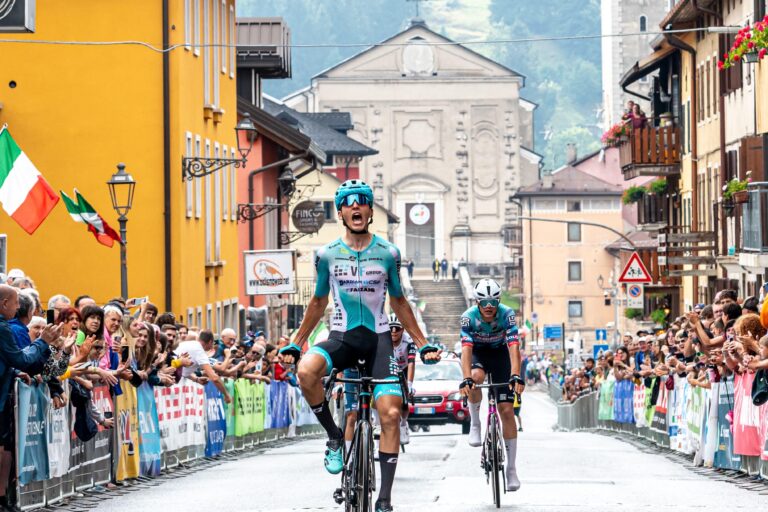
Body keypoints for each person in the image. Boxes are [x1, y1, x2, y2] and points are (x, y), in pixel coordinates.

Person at [284, 179, 441, 512]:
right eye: (348, 203)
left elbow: (398, 301)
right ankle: (334, 436)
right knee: (306, 371)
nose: (356, 207)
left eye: (362, 203)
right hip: (342, 337)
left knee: (391, 413)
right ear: (341, 212)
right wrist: (296, 343)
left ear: (370, 210)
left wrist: (423, 343)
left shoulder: (388, 253)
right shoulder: (326, 255)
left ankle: (384, 498)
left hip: (379, 341)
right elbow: (317, 302)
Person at [458, 278, 524, 492]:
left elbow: (514, 347)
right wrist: (466, 377)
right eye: (484, 302)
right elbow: (466, 350)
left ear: (499, 301)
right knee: (475, 377)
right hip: (478, 353)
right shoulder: (468, 318)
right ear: (477, 301)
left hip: (501, 355)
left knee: (506, 411)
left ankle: (511, 469)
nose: (488, 306)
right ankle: (475, 423)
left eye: (493, 302)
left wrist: (515, 375)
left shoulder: (507, 315)